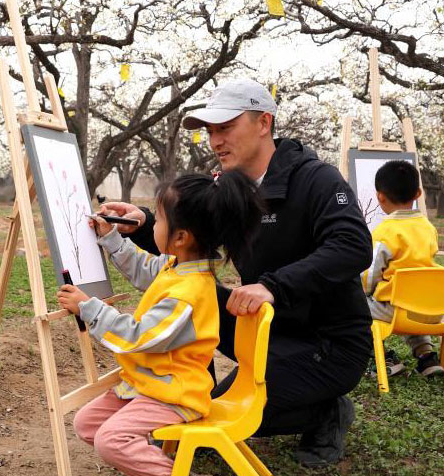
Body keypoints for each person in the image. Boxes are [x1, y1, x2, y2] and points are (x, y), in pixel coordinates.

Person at [98, 79, 373, 467]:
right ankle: (181, 395)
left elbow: (353, 245)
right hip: (266, 328)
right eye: (210, 131)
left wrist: (273, 287)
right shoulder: (229, 188)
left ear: (264, 122)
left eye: (225, 127)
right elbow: (190, 237)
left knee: (220, 414)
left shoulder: (317, 179)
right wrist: (143, 222)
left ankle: (327, 411)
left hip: (328, 346)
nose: (215, 141)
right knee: (197, 302)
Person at [56, 171, 264, 476]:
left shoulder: (189, 293)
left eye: (160, 220)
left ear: (180, 238)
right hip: (150, 383)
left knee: (110, 440)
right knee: (87, 424)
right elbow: (143, 268)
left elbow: (138, 336)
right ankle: (155, 463)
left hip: (175, 394)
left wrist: (89, 308)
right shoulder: (178, 268)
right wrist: (111, 238)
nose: (154, 225)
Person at [362, 160, 444, 377]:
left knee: (354, 309)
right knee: (411, 299)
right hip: (430, 309)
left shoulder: (384, 232)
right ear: (418, 193)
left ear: (380, 196)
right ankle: (427, 356)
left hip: (394, 309)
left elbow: (369, 275)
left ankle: (383, 358)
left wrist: (361, 292)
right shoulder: (429, 228)